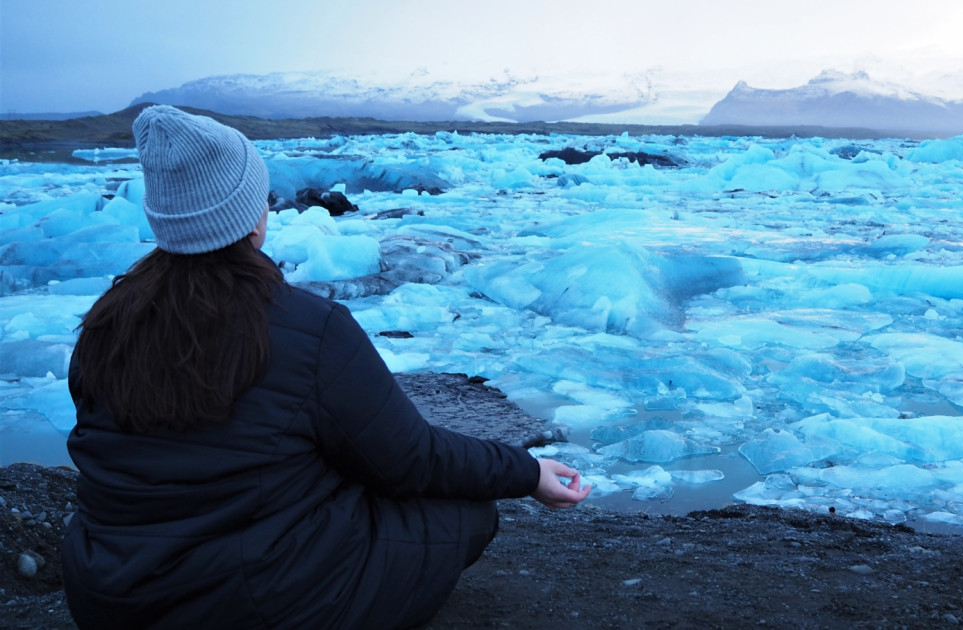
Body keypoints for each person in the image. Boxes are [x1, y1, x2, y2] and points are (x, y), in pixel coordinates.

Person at [61, 105, 591, 629]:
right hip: (250, 607)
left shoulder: (106, 322)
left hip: (107, 598)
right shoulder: (303, 325)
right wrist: (526, 472)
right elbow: (410, 458)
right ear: (249, 214)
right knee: (468, 515)